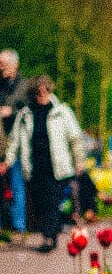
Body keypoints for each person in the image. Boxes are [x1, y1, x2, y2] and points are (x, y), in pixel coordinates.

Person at [0, 75, 85, 252]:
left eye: (45, 92)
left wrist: (79, 160)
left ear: (50, 91)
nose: (42, 96)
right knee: (39, 202)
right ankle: (49, 232)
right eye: (38, 93)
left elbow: (75, 138)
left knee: (52, 201)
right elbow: (14, 141)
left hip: (56, 166)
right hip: (34, 166)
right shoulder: (25, 114)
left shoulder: (62, 111)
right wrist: (7, 161)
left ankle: (50, 236)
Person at [0, 49, 29, 234]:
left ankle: (19, 226)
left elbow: (29, 111)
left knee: (17, 183)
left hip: (18, 141)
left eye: (3, 64)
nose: (1, 67)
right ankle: (4, 223)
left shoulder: (25, 86)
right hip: (1, 142)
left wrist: (12, 112)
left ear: (15, 65)